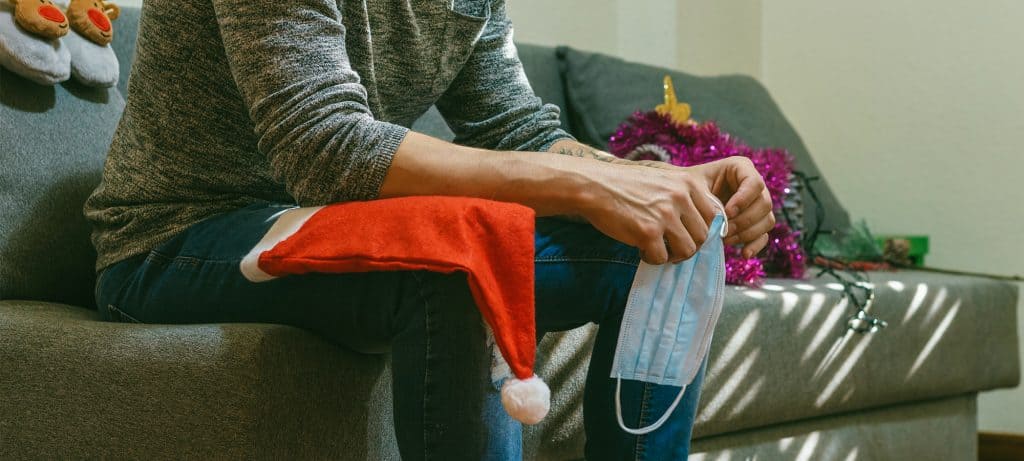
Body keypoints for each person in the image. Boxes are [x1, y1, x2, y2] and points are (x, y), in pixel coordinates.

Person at [85, 0, 774, 459]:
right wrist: (594, 187)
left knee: (669, 244)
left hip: (328, 224)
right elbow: (323, 145)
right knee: (457, 256)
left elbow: (517, 126)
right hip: (180, 239)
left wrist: (665, 185)